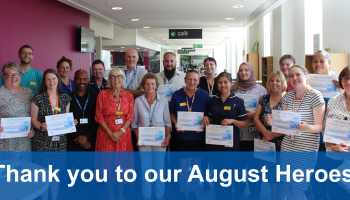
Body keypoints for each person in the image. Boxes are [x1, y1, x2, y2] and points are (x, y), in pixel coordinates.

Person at [280, 65, 325, 200]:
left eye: (298, 75)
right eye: (291, 76)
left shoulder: (315, 95)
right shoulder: (288, 96)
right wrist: (272, 122)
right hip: (287, 147)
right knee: (287, 186)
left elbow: (319, 126)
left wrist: (308, 128)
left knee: (298, 190)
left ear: (306, 76)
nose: (294, 78)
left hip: (305, 150)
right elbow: (283, 122)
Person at [30, 68, 76, 200]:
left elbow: (66, 118)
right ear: (44, 81)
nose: (52, 81)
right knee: (44, 174)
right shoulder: (38, 98)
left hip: (59, 142)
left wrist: (71, 122)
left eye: (54, 78)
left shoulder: (65, 98)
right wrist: (40, 127)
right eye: (48, 79)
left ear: (58, 80)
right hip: (42, 141)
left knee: (56, 174)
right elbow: (33, 119)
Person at [202, 72, 248, 200]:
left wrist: (232, 121)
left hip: (230, 144)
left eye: (225, 82)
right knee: (216, 174)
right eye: (220, 82)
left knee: (226, 174)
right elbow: (211, 118)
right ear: (217, 84)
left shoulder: (238, 101)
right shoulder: (213, 100)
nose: (223, 85)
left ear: (231, 83)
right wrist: (207, 119)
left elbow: (244, 123)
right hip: (214, 142)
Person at [169, 69, 211, 200]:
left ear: (198, 81)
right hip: (182, 137)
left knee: (196, 166)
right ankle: (182, 191)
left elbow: (209, 114)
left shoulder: (205, 95)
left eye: (195, 80)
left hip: (199, 136)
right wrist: (175, 123)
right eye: (189, 79)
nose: (192, 82)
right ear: (185, 80)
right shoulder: (177, 95)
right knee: (183, 166)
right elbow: (171, 113)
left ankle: (192, 191)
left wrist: (205, 122)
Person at [94, 67, 134, 200]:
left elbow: (131, 116)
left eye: (119, 77)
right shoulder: (102, 95)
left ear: (123, 79)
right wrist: (111, 133)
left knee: (121, 166)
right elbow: (98, 117)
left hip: (123, 136)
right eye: (113, 76)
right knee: (109, 165)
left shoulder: (128, 95)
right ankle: (111, 195)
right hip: (106, 135)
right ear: (109, 79)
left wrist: (120, 132)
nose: (116, 79)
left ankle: (121, 195)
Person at [131, 72, 171, 200]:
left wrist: (168, 136)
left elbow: (167, 122)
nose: (150, 86)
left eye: (152, 84)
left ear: (156, 85)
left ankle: (160, 195)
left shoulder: (163, 101)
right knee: (145, 169)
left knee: (159, 169)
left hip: (160, 141)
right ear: (143, 85)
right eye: (147, 84)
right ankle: (146, 195)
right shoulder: (137, 101)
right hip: (143, 141)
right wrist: (138, 137)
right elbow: (134, 123)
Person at [231, 62, 267, 200]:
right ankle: (238, 190)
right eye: (241, 70)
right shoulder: (233, 89)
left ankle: (255, 191)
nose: (244, 72)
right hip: (236, 136)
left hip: (254, 136)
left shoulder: (261, 90)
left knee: (254, 167)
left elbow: (265, 112)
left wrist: (254, 115)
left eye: (246, 70)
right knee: (238, 167)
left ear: (251, 72)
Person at [311, 50, 343, 200]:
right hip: (313, 138)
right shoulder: (308, 82)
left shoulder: (340, 82)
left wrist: (341, 89)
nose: (318, 64)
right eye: (315, 61)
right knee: (315, 176)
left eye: (322, 61)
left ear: (329, 63)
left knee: (332, 178)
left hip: (332, 139)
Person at [254, 71, 287, 200]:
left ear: (282, 83)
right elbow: (256, 119)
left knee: (282, 177)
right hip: (265, 141)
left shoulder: (289, 98)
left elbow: (291, 124)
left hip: (283, 143)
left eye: (277, 81)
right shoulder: (264, 98)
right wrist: (266, 133)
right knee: (271, 176)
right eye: (272, 81)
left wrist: (272, 134)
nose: (274, 83)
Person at [323, 66, 350, 199]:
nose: (348, 82)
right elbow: (326, 128)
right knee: (334, 194)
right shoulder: (333, 101)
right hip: (334, 156)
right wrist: (333, 146)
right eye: (345, 79)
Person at [0, 62, 34, 151]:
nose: (14, 78)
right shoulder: (0, 93)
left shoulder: (29, 92)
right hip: (5, 142)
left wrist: (33, 130)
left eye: (17, 74)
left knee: (25, 165)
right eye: (10, 75)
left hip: (25, 141)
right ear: (4, 77)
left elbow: (34, 115)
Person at [67, 69, 97, 151]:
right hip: (73, 143)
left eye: (84, 79)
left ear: (88, 80)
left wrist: (86, 137)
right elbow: (65, 121)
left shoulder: (95, 98)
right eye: (79, 79)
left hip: (91, 142)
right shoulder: (67, 99)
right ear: (74, 80)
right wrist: (79, 139)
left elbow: (98, 120)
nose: (82, 81)